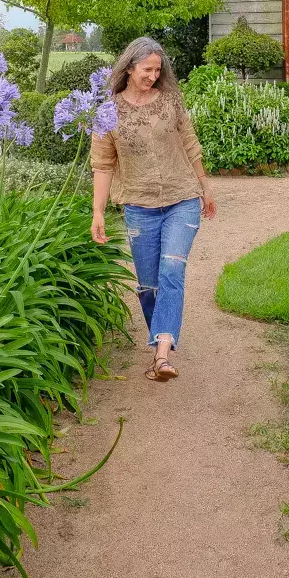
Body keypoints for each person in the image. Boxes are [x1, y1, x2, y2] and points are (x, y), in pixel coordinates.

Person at [90, 37, 216, 382]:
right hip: (139, 207)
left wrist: (205, 187)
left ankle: (161, 353)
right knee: (149, 286)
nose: (153, 75)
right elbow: (102, 165)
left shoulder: (171, 100)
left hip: (182, 199)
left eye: (158, 70)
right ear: (129, 68)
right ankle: (163, 336)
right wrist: (98, 212)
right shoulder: (108, 112)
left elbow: (190, 142)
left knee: (172, 272)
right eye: (147, 69)